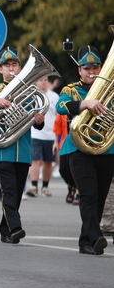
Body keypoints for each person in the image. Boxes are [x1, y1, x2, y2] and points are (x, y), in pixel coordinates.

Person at [0, 47, 45, 244]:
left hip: (24, 150)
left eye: (14, 65)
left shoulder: (28, 90)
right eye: (7, 65)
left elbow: (37, 123)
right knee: (9, 192)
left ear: (19, 68)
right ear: (0, 69)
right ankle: (16, 227)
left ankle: (6, 230)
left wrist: (39, 120)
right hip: (3, 151)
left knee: (16, 194)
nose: (11, 68)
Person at [56, 45, 113, 255]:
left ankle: (86, 241)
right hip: (79, 150)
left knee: (100, 196)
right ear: (79, 70)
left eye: (96, 67)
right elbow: (60, 107)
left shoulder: (111, 89)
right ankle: (96, 236)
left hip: (106, 150)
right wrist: (85, 103)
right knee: (88, 195)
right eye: (87, 67)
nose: (92, 71)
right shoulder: (71, 89)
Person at [25, 77, 59, 197]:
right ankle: (33, 186)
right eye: (40, 79)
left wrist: (56, 137)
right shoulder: (31, 95)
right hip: (35, 133)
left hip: (50, 134)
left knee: (48, 162)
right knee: (35, 160)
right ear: (35, 81)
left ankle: (45, 186)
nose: (43, 81)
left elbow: (58, 116)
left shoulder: (54, 96)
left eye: (45, 79)